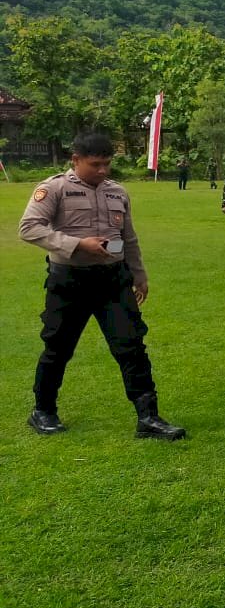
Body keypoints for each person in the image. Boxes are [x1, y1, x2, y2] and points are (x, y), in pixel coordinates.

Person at [18, 132, 185, 440]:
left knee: (131, 346)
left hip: (113, 280)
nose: (103, 171)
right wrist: (76, 244)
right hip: (70, 280)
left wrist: (139, 274)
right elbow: (29, 228)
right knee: (58, 348)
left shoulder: (117, 192)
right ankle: (43, 411)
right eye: (95, 165)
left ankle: (148, 417)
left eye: (107, 164)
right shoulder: (54, 188)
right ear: (76, 160)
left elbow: (129, 237)